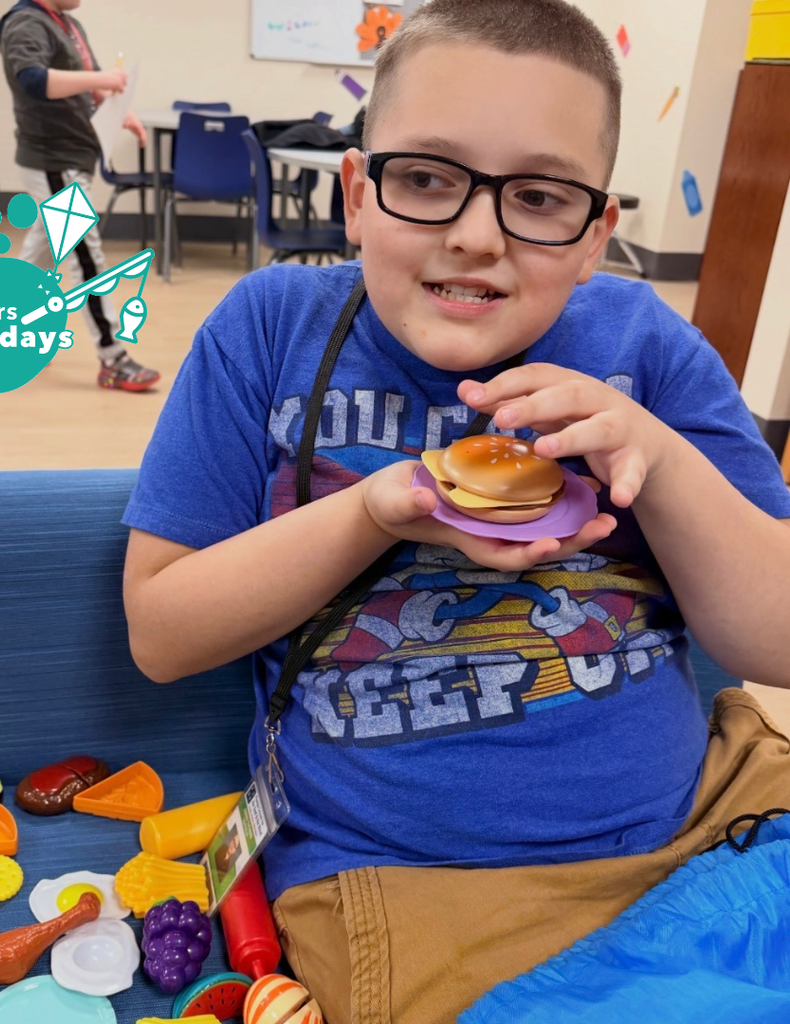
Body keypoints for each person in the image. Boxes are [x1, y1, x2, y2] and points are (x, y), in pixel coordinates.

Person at [121, 1, 790, 1020]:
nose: (476, 236)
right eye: (426, 179)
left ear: (595, 233)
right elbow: (162, 634)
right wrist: (376, 512)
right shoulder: (267, 330)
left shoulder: (643, 345)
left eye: (537, 195)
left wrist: (652, 451)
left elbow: (773, 636)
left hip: (710, 821)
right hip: (417, 886)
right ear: (355, 193)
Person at [0, 0, 160, 391]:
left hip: (69, 156)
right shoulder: (25, 24)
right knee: (86, 256)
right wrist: (102, 80)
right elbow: (34, 80)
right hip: (53, 159)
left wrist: (121, 111)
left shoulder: (67, 25)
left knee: (41, 246)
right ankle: (113, 357)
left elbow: (85, 86)